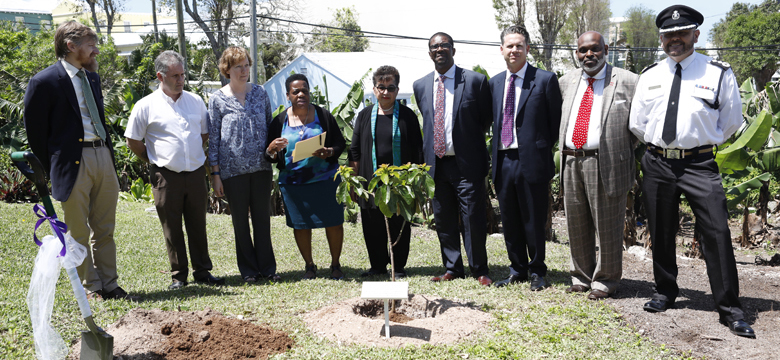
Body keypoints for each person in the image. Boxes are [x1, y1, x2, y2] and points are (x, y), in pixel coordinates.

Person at [629, 5, 755, 338]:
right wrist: (663, 150)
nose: (675, 40)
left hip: (700, 163)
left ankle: (729, 307)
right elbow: (638, 124)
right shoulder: (651, 74)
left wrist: (695, 145)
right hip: (657, 161)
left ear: (696, 35)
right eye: (669, 35)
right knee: (661, 227)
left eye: (682, 33)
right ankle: (665, 291)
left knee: (716, 231)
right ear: (661, 39)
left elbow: (730, 123)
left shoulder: (717, 72)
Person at [23, 21, 136, 301]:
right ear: (71, 46)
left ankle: (110, 283)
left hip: (102, 156)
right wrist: (53, 168)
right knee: (77, 230)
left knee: (105, 228)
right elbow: (36, 134)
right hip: (72, 162)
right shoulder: (44, 81)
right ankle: (91, 285)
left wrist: (106, 156)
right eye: (90, 44)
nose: (96, 50)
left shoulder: (92, 78)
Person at [125, 50, 224, 290]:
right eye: (175, 75)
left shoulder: (195, 101)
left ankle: (202, 272)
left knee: (198, 225)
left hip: (195, 174)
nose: (181, 80)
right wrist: (154, 159)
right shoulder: (145, 105)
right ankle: (179, 276)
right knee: (172, 227)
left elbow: (203, 133)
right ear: (160, 76)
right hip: (165, 176)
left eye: (183, 74)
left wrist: (190, 154)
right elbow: (133, 140)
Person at [559, 31, 638, 300]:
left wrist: (620, 153)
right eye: (583, 50)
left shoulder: (628, 81)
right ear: (576, 53)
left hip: (606, 162)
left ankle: (605, 280)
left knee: (607, 224)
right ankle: (580, 275)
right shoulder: (566, 81)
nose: (588, 55)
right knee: (576, 222)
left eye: (594, 49)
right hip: (571, 160)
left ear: (606, 49)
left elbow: (638, 127)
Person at [412, 32, 493, 286]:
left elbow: (485, 119)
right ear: (429, 53)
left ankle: (479, 268)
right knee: (443, 218)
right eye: (434, 46)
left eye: (444, 45)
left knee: (473, 218)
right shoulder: (421, 85)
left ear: (453, 50)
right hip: (436, 165)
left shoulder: (475, 81)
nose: (439, 49)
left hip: (466, 163)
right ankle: (452, 267)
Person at [489, 25, 562, 290]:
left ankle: (537, 271)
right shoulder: (495, 83)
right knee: (509, 218)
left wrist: (538, 148)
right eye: (509, 46)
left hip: (532, 161)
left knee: (533, 218)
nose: (514, 50)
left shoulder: (544, 80)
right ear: (501, 50)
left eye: (519, 45)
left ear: (527, 49)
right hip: (503, 160)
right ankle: (516, 269)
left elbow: (555, 124)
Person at [208, 46, 280, 283]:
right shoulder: (217, 99)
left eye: (246, 65)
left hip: (261, 167)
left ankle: (268, 269)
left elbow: (270, 127)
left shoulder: (260, 93)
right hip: (231, 172)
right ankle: (248, 271)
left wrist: (273, 152)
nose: (244, 70)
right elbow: (214, 139)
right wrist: (215, 174)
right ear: (227, 70)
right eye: (238, 66)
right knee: (240, 222)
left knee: (262, 220)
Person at [265, 74, 347, 280]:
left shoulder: (323, 115)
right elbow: (270, 156)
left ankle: (335, 264)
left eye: (305, 90)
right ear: (288, 95)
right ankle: (309, 266)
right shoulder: (279, 121)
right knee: (301, 226)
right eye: (296, 91)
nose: (301, 94)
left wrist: (328, 151)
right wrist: (271, 149)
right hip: (294, 184)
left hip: (326, 180)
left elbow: (340, 143)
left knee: (334, 222)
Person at [349, 66, 424, 279]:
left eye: (390, 88)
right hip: (370, 182)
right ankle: (377, 266)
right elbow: (354, 150)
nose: (385, 92)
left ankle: (397, 267)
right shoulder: (364, 116)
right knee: (372, 225)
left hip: (400, 184)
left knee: (399, 223)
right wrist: (354, 182)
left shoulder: (407, 116)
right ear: (374, 89)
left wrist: (416, 182)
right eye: (381, 87)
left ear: (397, 89)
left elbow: (418, 149)